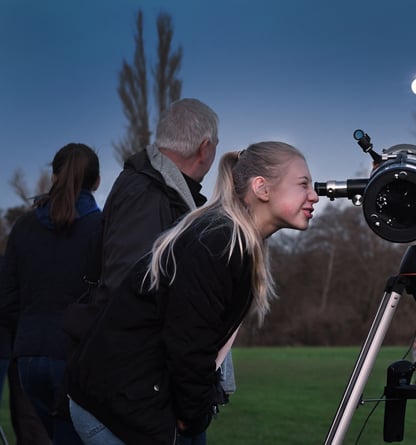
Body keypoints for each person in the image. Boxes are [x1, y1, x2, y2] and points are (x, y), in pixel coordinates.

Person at [67, 141, 319, 444]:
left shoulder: (235, 241)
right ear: (262, 189)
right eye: (303, 184)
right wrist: (193, 418)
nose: (314, 195)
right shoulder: (216, 242)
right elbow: (189, 342)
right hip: (116, 409)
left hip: (142, 401)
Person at [81, 98, 223, 445]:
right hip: (147, 392)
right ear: (205, 148)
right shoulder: (147, 193)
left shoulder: (152, 188)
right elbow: (128, 291)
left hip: (156, 386)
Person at [0, 143, 102, 444]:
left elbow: (7, 300)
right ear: (96, 182)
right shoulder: (100, 227)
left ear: (54, 176)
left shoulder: (23, 227)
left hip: (29, 358)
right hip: (74, 359)